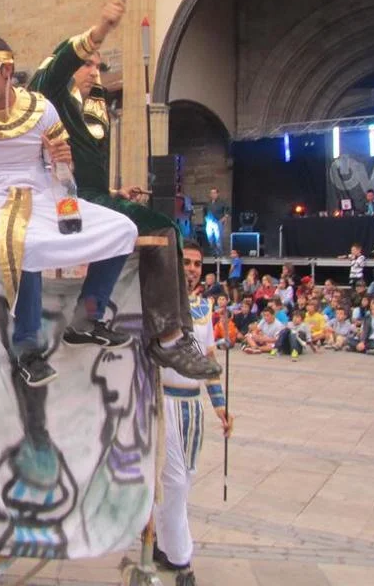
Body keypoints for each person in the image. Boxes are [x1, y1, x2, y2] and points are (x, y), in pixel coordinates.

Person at [0, 35, 190, 388]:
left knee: (123, 228)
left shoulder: (41, 109)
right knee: (26, 242)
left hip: (43, 197)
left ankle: (87, 317)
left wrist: (63, 161)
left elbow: (61, 173)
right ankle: (27, 348)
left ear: (7, 71)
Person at [27, 0, 219, 381]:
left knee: (143, 226)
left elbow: (89, 169)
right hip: (66, 202)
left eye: (98, 66)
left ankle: (92, 317)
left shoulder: (85, 110)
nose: (93, 71)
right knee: (162, 227)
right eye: (87, 63)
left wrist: (116, 193)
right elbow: (59, 66)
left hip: (94, 197)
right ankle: (168, 338)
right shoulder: (50, 94)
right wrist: (101, 28)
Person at [152, 241, 233, 585]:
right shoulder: (158, 304)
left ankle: (161, 543)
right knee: (173, 482)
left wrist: (220, 406)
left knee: (184, 480)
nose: (192, 269)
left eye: (197, 264)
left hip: (193, 406)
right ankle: (182, 559)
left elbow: (208, 360)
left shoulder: (203, 308)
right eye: (186, 262)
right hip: (163, 402)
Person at [204, 188, 229, 256]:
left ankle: (219, 254)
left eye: (214, 193)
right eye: (211, 193)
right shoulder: (208, 203)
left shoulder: (222, 202)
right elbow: (204, 211)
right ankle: (213, 253)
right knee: (210, 238)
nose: (212, 194)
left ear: (217, 194)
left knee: (218, 238)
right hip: (209, 222)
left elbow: (228, 209)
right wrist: (205, 218)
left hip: (218, 221)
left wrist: (225, 217)